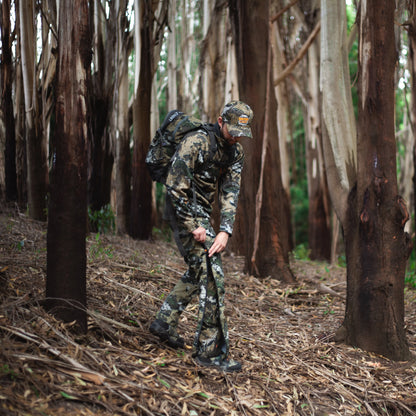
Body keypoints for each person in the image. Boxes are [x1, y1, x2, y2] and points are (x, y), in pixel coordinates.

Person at [149, 101, 253, 372]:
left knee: (199, 270)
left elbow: (231, 191)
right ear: (220, 121)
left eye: (241, 132)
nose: (236, 136)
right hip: (181, 207)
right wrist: (192, 224)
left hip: (203, 214)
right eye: (232, 130)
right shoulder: (196, 141)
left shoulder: (236, 152)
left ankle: (164, 321)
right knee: (211, 274)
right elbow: (174, 185)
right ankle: (208, 353)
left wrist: (225, 230)